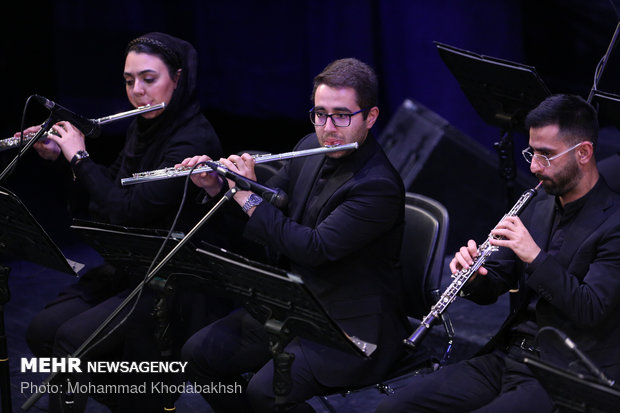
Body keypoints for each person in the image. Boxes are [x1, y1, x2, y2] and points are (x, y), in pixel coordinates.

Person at [179, 57, 411, 412]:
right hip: (296, 303)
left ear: (371, 117)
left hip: (350, 328)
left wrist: (244, 193)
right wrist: (218, 189)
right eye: (320, 113)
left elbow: (312, 247)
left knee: (267, 393)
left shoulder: (377, 186)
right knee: (197, 354)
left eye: (341, 115)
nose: (328, 127)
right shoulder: (307, 147)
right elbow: (267, 220)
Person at [23, 32, 229, 412]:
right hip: (131, 269)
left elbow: (128, 210)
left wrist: (80, 158)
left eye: (149, 79)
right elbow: (108, 195)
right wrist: (63, 157)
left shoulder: (191, 139)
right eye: (129, 80)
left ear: (178, 79)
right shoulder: (143, 128)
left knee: (71, 342)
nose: (137, 91)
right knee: (40, 333)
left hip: (172, 279)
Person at [376, 94, 620, 413]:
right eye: (531, 152)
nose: (533, 166)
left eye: (546, 155)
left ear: (584, 153)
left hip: (563, 372)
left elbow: (591, 308)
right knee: (393, 409)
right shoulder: (538, 204)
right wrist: (473, 277)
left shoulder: (614, 222)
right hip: (507, 357)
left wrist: (534, 256)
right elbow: (494, 285)